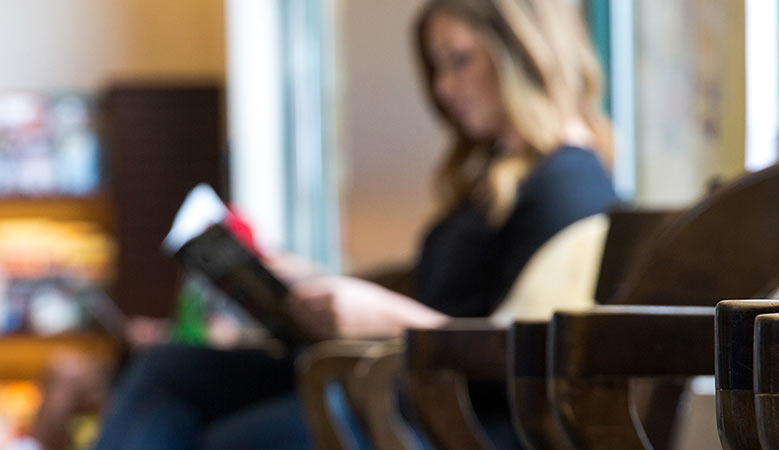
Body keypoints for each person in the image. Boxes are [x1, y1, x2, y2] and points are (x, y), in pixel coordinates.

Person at [93, 0, 616, 448]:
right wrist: (303, 280)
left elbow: (532, 354)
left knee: (231, 437)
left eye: (459, 61)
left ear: (525, 53)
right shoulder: (501, 179)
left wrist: (382, 316)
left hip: (454, 411)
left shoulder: (568, 184)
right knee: (169, 371)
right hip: (405, 383)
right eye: (437, 68)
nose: (444, 87)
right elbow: (447, 299)